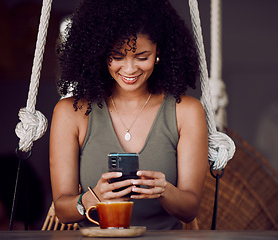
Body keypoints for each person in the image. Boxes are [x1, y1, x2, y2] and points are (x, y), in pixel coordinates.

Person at [50, 0, 208, 230]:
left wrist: (164, 191)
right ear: (100, 53)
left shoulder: (186, 111)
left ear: (159, 52)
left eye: (142, 57)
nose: (130, 69)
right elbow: (62, 211)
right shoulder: (71, 113)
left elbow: (190, 210)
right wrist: (93, 197)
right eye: (117, 56)